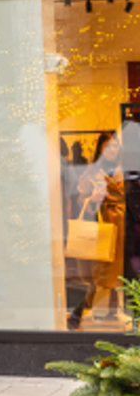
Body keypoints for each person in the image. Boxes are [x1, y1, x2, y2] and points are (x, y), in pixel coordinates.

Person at [70, 134, 126, 330]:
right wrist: (93, 200)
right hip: (100, 227)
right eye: (109, 146)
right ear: (100, 148)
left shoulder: (124, 170)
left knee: (119, 270)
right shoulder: (91, 172)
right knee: (99, 273)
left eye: (116, 146)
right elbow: (79, 199)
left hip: (122, 228)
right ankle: (79, 312)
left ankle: (113, 310)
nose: (113, 149)